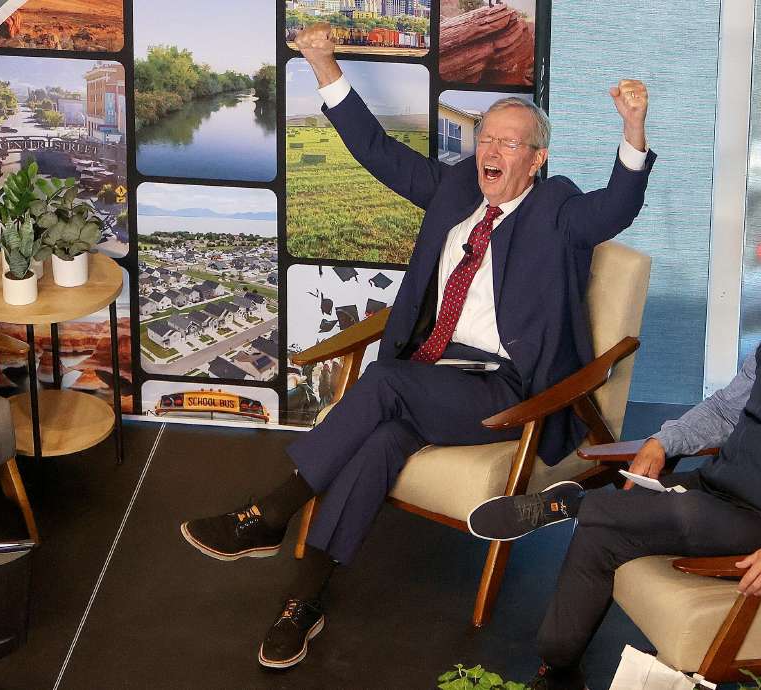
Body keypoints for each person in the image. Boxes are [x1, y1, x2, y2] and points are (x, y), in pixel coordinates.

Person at [180, 21, 657, 669]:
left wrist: (633, 128)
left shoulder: (559, 210)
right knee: (377, 443)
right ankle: (303, 602)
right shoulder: (458, 188)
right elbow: (376, 150)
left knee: (384, 382)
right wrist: (322, 63)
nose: (490, 149)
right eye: (486, 137)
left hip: (505, 389)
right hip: (433, 375)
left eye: (508, 143)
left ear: (537, 158)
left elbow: (619, 208)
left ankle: (268, 515)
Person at [468, 223, 761, 690]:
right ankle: (555, 670)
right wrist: (663, 441)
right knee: (602, 536)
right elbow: (722, 410)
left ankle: (575, 502)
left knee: (680, 506)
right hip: (717, 490)